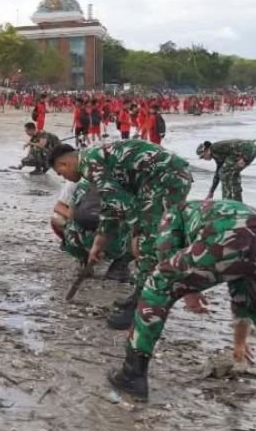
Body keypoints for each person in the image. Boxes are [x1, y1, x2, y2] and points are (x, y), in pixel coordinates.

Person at [108, 200, 256, 419]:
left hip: (234, 235)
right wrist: (239, 342)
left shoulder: (173, 212)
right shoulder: (213, 211)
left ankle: (132, 373)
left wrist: (188, 290)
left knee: (157, 284)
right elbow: (242, 295)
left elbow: (166, 258)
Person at [48, 140, 194, 330]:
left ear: (64, 164)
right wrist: (100, 241)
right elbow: (111, 204)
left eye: (61, 173)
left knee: (147, 243)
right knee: (143, 238)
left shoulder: (90, 163)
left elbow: (123, 204)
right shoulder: (94, 160)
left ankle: (142, 308)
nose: (65, 178)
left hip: (167, 178)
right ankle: (138, 296)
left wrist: (137, 232)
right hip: (156, 179)